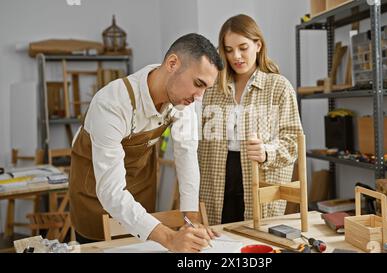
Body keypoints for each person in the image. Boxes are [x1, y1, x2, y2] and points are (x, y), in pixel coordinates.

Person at [69, 33, 223, 253]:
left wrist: (191, 218)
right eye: (198, 84)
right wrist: (170, 239)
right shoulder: (111, 104)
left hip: (139, 191)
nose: (199, 96)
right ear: (172, 63)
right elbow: (111, 192)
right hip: (96, 196)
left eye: (206, 88)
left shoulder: (183, 102)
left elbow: (187, 154)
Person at [199, 14, 303, 225]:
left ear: (258, 45)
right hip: (217, 179)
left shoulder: (278, 87)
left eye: (243, 47)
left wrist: (267, 152)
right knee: (221, 240)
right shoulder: (212, 89)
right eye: (229, 50)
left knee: (257, 239)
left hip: (261, 175)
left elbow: (293, 142)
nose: (236, 56)